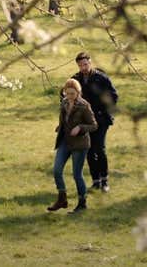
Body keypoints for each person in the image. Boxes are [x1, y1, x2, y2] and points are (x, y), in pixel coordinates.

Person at [47, 79, 98, 213]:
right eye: (67, 93)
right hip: (65, 141)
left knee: (77, 174)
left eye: (72, 93)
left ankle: (82, 203)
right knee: (57, 170)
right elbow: (65, 119)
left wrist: (80, 128)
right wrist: (61, 126)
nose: (69, 96)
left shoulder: (84, 106)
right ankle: (62, 199)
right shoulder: (64, 103)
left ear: (78, 92)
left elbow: (94, 125)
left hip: (80, 144)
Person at [71, 52, 118, 192]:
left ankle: (104, 181)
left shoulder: (101, 78)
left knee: (100, 148)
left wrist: (104, 110)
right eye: (80, 65)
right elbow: (65, 94)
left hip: (101, 119)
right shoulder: (75, 79)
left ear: (90, 62)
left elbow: (114, 95)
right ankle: (95, 180)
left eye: (85, 64)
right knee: (89, 150)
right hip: (85, 121)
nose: (83, 67)